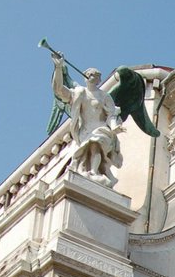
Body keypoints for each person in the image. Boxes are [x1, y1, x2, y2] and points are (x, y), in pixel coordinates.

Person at [51, 56, 123, 185]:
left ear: (98, 80)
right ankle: (91, 172)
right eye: (91, 74)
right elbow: (59, 90)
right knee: (90, 149)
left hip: (101, 129)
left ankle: (94, 172)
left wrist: (114, 127)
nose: (93, 77)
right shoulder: (79, 92)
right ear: (86, 77)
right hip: (85, 130)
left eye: (96, 76)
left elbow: (111, 114)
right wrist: (58, 68)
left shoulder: (104, 96)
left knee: (96, 143)